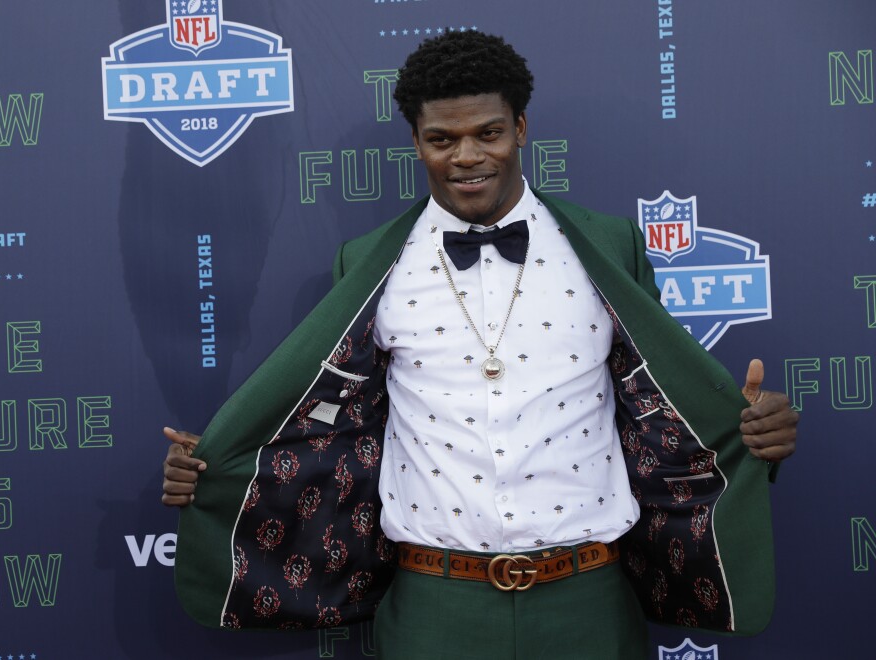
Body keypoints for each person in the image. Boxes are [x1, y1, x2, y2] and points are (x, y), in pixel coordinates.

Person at [162, 31, 797, 659]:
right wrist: (220, 464)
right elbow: (332, 420)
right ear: (416, 141)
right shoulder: (365, 263)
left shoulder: (611, 246)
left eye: (487, 133)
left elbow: (661, 406)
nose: (466, 156)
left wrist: (748, 433)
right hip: (433, 607)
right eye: (442, 139)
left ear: (520, 128)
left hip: (590, 603)